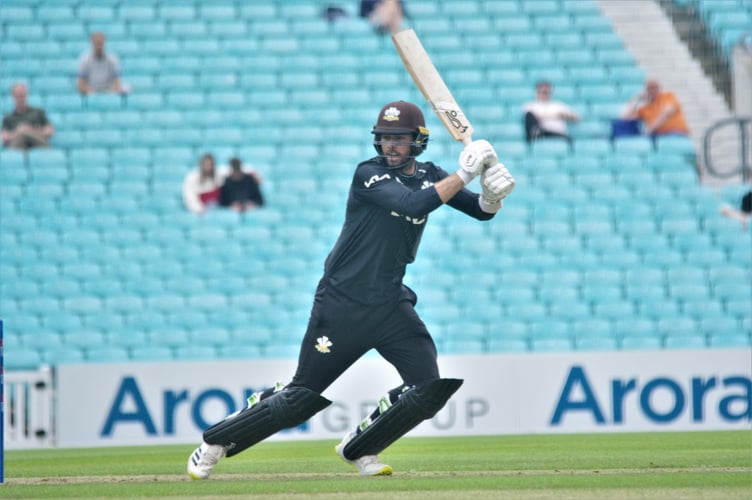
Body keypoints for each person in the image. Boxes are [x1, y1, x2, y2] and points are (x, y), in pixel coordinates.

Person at [186, 100, 515, 480]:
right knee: (299, 399)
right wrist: (466, 171)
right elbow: (412, 204)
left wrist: (492, 196)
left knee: (428, 388)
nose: (391, 146)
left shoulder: (430, 174)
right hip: (342, 304)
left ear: (418, 141)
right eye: (385, 139)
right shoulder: (369, 175)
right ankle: (214, 442)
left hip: (390, 303)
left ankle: (360, 447)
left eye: (400, 139)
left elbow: (479, 211)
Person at [621, 78, 690, 137]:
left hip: (676, 132)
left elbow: (666, 113)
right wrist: (637, 99)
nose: (653, 90)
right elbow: (625, 118)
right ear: (645, 91)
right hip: (657, 135)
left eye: (655, 87)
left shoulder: (668, 96)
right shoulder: (644, 108)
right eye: (649, 88)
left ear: (660, 88)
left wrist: (648, 130)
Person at [522, 80, 579, 145]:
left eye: (546, 92)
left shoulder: (559, 105)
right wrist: (556, 116)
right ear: (537, 92)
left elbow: (576, 118)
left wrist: (565, 116)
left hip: (559, 134)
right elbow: (531, 117)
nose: (544, 94)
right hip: (541, 135)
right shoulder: (530, 105)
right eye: (542, 91)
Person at [2, 82, 54, 150]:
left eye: (23, 95)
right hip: (18, 146)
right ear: (13, 97)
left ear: (26, 95)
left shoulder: (38, 112)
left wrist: (30, 130)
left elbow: (50, 131)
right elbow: (5, 137)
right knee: (20, 137)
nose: (21, 99)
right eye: (18, 96)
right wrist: (19, 132)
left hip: (38, 144)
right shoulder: (8, 118)